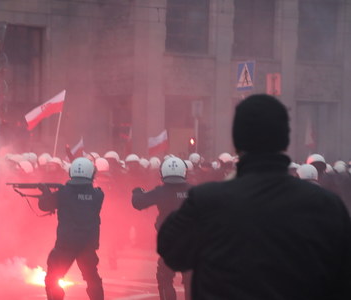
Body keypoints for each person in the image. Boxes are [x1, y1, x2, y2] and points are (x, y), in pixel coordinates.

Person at [158, 94, 351, 300]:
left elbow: (170, 250)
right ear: (285, 141)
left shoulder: (207, 201)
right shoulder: (327, 206)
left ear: (237, 142)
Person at [38, 157, 104, 300]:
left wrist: (45, 193)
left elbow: (44, 205)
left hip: (65, 245)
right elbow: (82, 196)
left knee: (52, 279)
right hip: (87, 245)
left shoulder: (62, 193)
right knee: (92, 279)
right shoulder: (98, 195)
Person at [132, 157, 192, 300]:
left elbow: (138, 203)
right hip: (191, 243)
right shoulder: (193, 191)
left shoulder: (161, 191)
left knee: (165, 279)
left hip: (170, 243)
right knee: (191, 281)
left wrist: (137, 191)